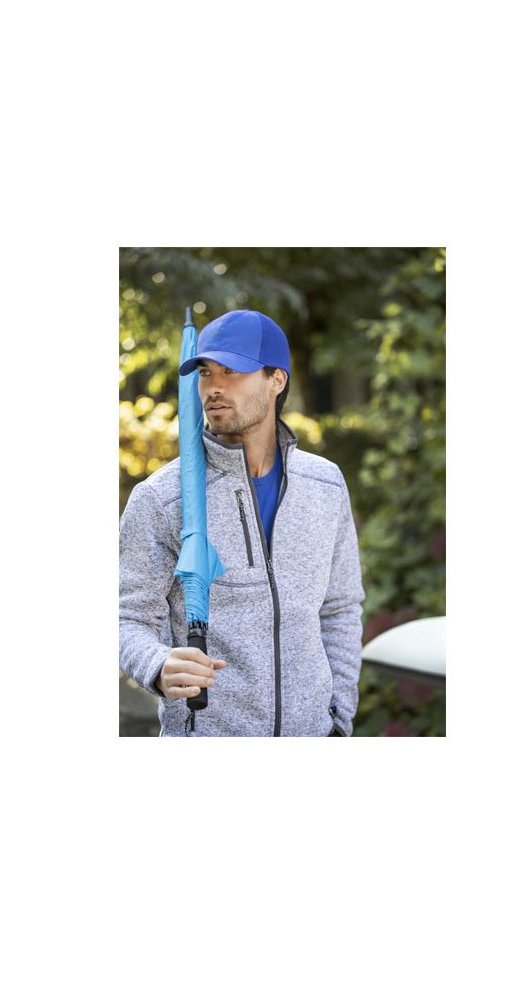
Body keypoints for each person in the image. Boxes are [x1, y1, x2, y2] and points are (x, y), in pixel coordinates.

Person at [119, 308, 365, 736]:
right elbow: (125, 618)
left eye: (231, 371)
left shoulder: (325, 485)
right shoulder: (162, 498)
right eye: (205, 373)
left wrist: (338, 720)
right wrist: (157, 665)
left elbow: (340, 608)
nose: (213, 387)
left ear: (276, 379)